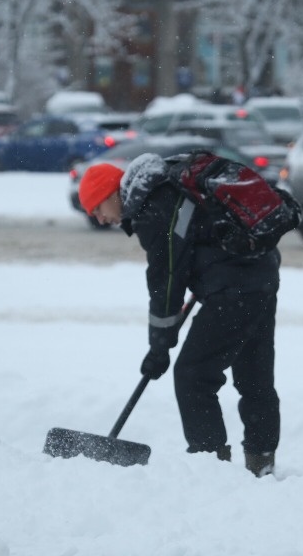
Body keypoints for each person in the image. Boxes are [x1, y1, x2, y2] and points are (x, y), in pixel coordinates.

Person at [77, 155, 282, 477]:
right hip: (260, 275)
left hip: (234, 288)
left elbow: (166, 279)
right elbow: (194, 244)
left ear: (111, 193)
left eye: (97, 208)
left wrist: (159, 347)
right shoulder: (168, 186)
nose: (100, 219)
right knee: (254, 376)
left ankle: (210, 468)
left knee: (193, 375)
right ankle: (262, 463)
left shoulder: (152, 205)